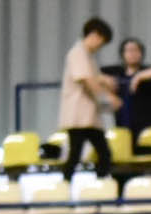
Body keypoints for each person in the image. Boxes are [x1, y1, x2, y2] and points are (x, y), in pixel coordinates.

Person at [56, 18, 116, 179]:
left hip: (88, 117)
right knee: (76, 155)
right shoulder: (77, 53)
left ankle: (99, 185)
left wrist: (104, 80)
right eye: (102, 42)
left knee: (103, 154)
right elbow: (87, 80)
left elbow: (93, 78)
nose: (100, 47)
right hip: (78, 117)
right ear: (95, 35)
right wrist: (107, 98)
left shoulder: (88, 57)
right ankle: (66, 185)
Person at [105, 36, 151, 143]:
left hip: (149, 128)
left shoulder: (147, 71)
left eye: (136, 50)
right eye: (129, 50)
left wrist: (138, 76)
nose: (132, 53)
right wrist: (108, 94)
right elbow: (93, 75)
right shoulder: (116, 72)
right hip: (124, 127)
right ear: (123, 54)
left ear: (141, 53)